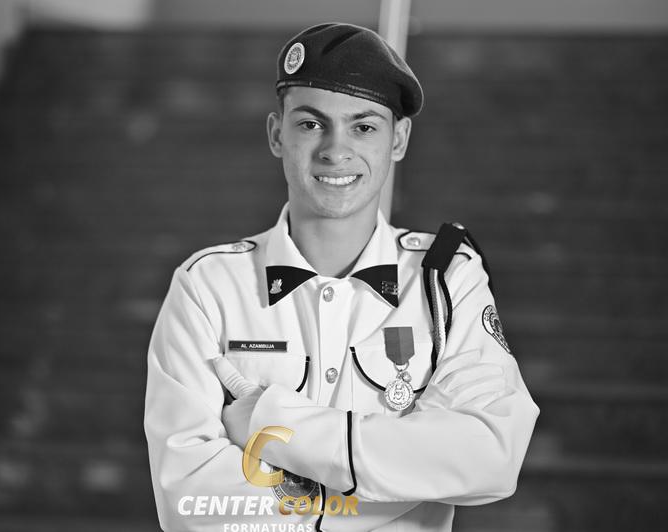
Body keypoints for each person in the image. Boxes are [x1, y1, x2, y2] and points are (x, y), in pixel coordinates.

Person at [144, 22, 539, 532]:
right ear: (276, 134)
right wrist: (393, 484)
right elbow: (190, 501)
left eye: (364, 127)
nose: (335, 150)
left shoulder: (446, 280)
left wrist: (275, 421)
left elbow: (491, 455)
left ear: (398, 139)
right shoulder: (209, 287)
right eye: (311, 124)